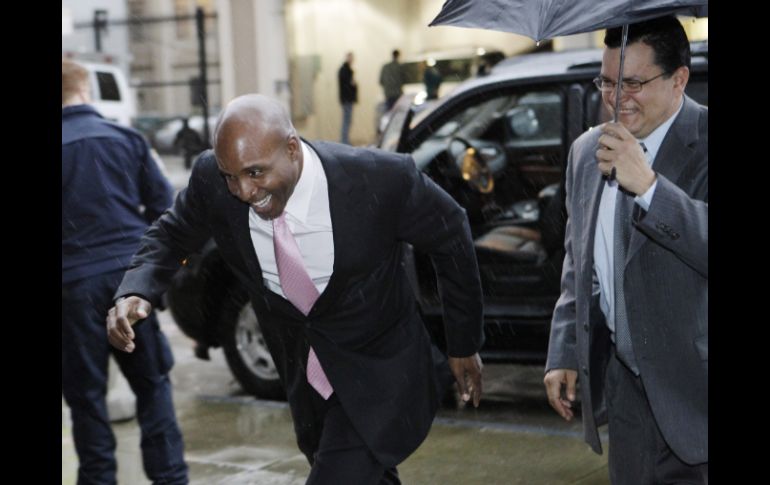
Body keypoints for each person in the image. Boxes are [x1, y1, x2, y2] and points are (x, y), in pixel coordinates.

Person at [106, 94, 485, 484]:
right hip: (308, 381)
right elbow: (171, 234)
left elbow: (450, 232)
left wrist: (463, 341)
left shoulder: (380, 179)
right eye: (230, 176)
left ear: (292, 149)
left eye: (255, 173)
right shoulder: (213, 181)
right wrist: (135, 289)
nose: (244, 191)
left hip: (383, 373)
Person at [542, 16, 707, 484]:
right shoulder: (587, 152)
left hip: (698, 395)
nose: (616, 99)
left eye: (632, 83)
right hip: (628, 394)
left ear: (679, 79)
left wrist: (651, 187)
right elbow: (579, 262)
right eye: (607, 81)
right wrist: (565, 350)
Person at [62, 59, 188, 484]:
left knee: (86, 398)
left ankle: (98, 478)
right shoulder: (127, 139)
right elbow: (164, 214)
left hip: (73, 286)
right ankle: (169, 477)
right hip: (128, 282)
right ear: (87, 92)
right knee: (152, 385)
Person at [337, 52, 358, 145]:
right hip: (347, 99)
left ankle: (345, 140)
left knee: (347, 120)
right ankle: (344, 141)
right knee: (347, 120)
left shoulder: (345, 70)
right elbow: (347, 85)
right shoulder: (345, 70)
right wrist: (353, 85)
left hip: (347, 98)